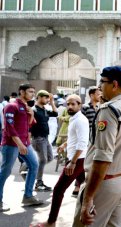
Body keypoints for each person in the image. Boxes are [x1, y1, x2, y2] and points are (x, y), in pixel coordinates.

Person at [74, 66, 121, 226]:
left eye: (102, 82)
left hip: (105, 182)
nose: (99, 87)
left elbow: (102, 157)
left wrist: (88, 198)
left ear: (115, 84)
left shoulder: (109, 110)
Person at [36, 94, 89, 227]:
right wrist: (65, 145)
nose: (70, 106)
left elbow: (82, 143)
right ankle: (91, 219)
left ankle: (51, 222)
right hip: (78, 159)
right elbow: (75, 138)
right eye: (68, 104)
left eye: (73, 104)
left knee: (59, 189)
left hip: (77, 160)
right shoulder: (74, 118)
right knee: (86, 190)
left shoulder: (80, 120)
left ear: (80, 105)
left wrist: (73, 162)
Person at [0, 83, 43, 212]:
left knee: (34, 165)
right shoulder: (11, 106)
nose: (33, 94)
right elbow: (9, 127)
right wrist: (20, 144)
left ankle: (28, 196)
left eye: (33, 92)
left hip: (25, 143)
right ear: (21, 92)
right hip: (11, 144)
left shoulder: (26, 107)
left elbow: (29, 125)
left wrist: (32, 114)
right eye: (30, 92)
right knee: (6, 171)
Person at [30, 90, 58, 192]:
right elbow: (29, 125)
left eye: (48, 98)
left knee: (50, 158)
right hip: (38, 138)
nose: (47, 100)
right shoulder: (34, 110)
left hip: (45, 138)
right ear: (40, 97)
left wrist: (52, 102)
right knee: (43, 160)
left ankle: (28, 165)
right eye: (46, 98)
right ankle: (39, 182)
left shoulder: (45, 109)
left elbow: (55, 113)